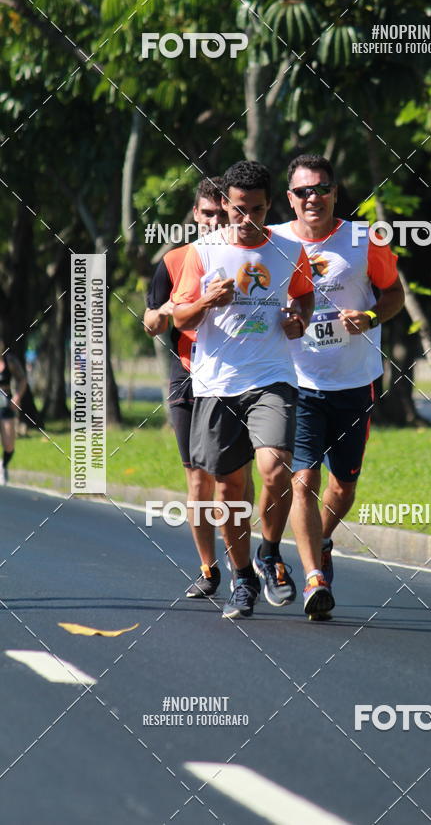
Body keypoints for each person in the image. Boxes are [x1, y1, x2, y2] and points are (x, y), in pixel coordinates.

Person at [172, 160, 314, 619]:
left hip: (271, 377)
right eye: (238, 210)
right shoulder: (203, 252)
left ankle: (268, 551)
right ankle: (242, 577)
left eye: (256, 209)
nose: (246, 219)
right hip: (216, 384)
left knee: (276, 468)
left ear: (269, 206)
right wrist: (207, 300)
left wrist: (299, 319)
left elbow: (304, 294)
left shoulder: (289, 249)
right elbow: (179, 316)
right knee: (230, 486)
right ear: (226, 204)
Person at [271, 154, 404, 618]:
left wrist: (369, 317)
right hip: (297, 381)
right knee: (303, 479)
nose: (313, 197)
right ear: (290, 198)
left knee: (343, 489)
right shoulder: (273, 242)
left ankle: (321, 539)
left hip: (354, 381)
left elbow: (394, 295)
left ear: (334, 192)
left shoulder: (364, 239)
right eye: (303, 191)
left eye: (321, 188)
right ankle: (315, 579)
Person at [144, 177, 232, 598]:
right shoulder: (175, 260)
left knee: (233, 475)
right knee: (198, 480)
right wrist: (164, 311)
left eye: (222, 214)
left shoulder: (249, 256)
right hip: (188, 374)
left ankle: (241, 560)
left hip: (234, 375)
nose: (215, 222)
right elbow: (150, 323)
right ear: (196, 214)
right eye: (207, 213)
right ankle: (208, 568)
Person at [0, 338, 28, 485]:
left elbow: (22, 379)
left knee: (9, 444)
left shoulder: (9, 360)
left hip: (5, 405)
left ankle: (3, 465)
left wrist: (17, 397)